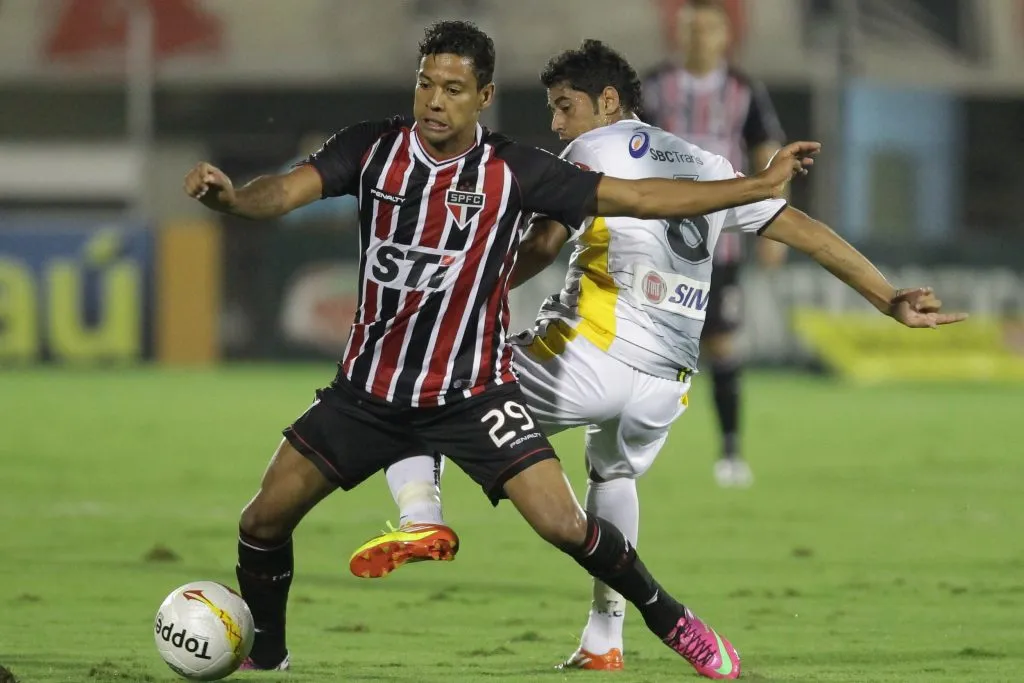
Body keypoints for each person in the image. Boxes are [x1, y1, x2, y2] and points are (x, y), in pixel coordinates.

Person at [183, 21, 819, 680]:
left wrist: (752, 187)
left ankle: (675, 621)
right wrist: (232, 198)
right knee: (261, 520)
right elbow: (283, 191)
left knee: (568, 526)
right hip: (366, 392)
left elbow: (641, 196)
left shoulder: (515, 170)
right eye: (426, 84)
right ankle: (269, 655)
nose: (434, 100)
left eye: (452, 89)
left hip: (471, 394)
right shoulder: (371, 148)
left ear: (483, 96)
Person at [349, 38, 968, 673]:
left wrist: (465, 291)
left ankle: (422, 513)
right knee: (613, 475)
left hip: (590, 355)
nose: (557, 124)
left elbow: (541, 242)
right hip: (664, 384)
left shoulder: (591, 150)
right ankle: (603, 637)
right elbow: (805, 232)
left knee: (421, 380)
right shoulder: (711, 164)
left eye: (565, 107)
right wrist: (887, 296)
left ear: (607, 102)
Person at [645, 0, 788, 487]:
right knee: (640, 342)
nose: (698, 38)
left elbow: (768, 152)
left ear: (725, 36)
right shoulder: (652, 86)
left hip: (718, 243)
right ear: (678, 34)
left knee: (721, 341)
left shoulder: (743, 91)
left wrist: (773, 225)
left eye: (707, 29)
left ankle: (730, 450)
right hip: (654, 238)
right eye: (690, 29)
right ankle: (632, 449)